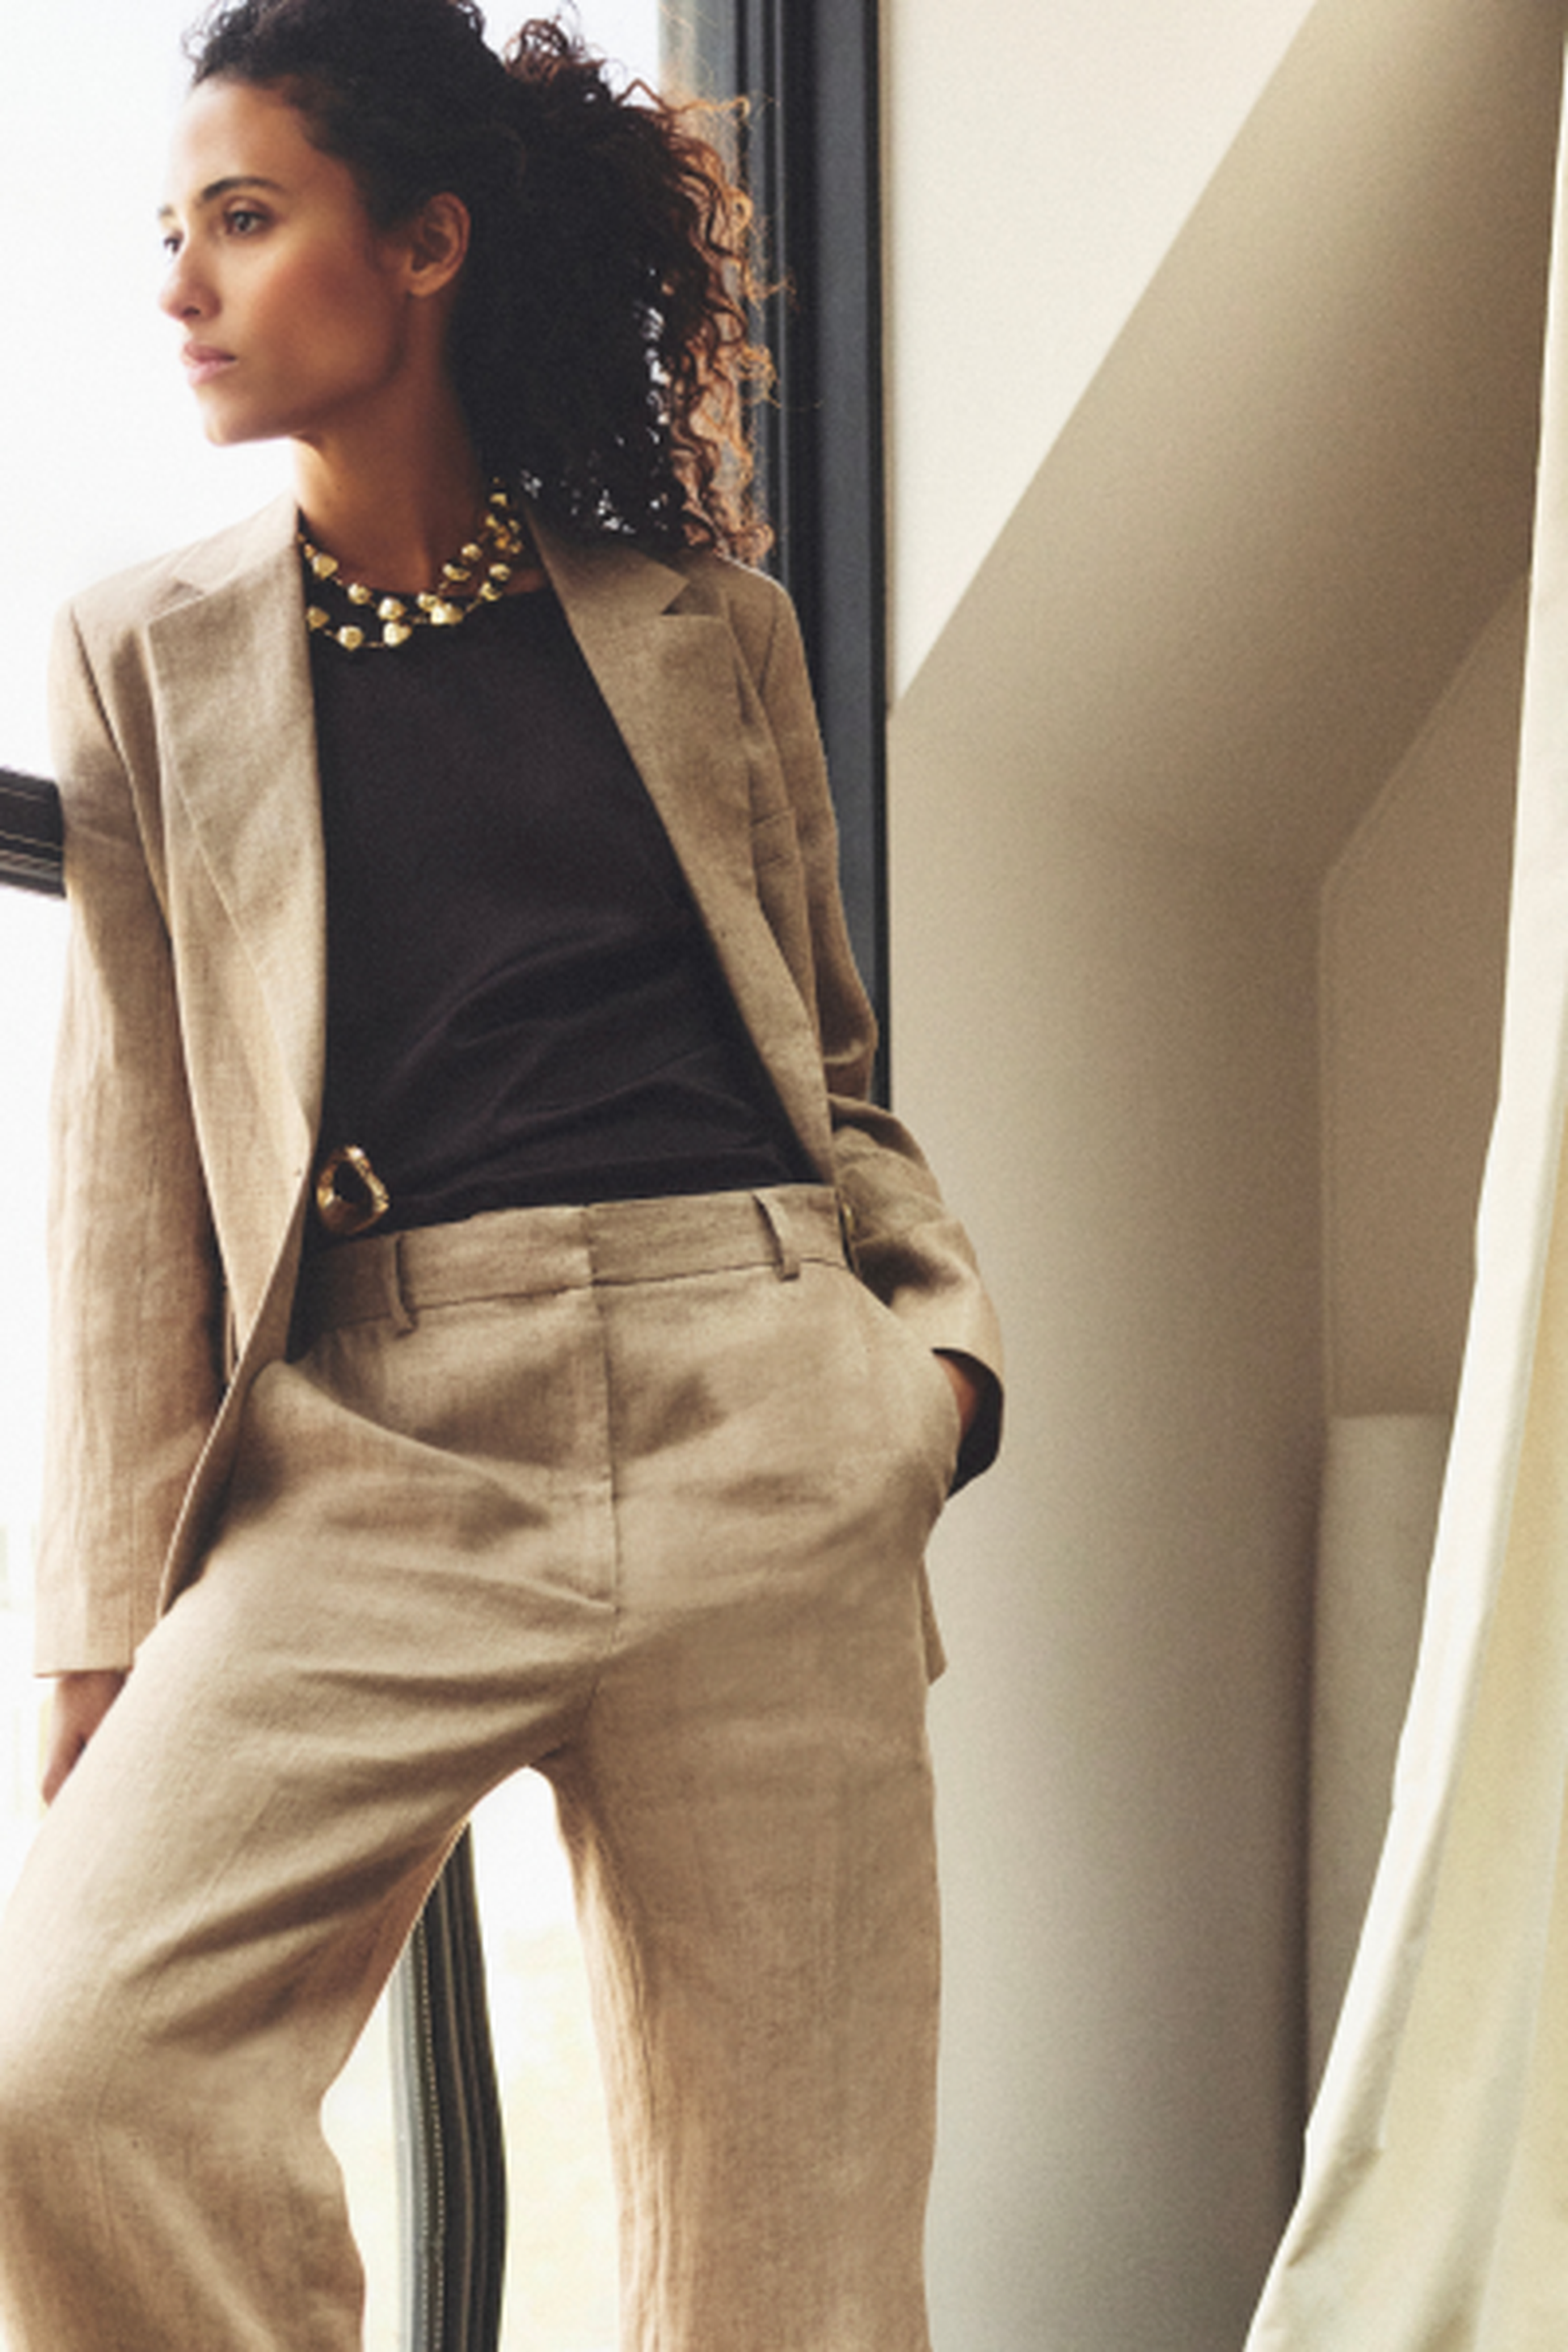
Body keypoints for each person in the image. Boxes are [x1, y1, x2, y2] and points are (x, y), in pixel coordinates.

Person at [0, 2, 1002, 2345]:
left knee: (798, 2257)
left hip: (758, 1397)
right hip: (371, 1437)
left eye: (243, 221)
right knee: (65, 2067)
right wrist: (95, 1648)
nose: (181, 283)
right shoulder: (143, 659)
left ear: (425, 242)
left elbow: (833, 1078)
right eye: (169, 231)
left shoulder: (703, 634)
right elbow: (131, 1169)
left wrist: (929, 1369)